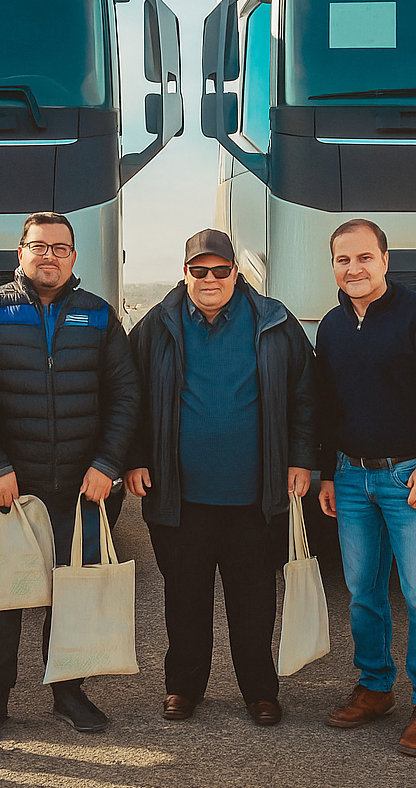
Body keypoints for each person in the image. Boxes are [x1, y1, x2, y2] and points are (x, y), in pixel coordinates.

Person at [0, 211, 138, 740]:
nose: (49, 255)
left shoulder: (97, 314)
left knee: (74, 593)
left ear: (73, 256)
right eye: (39, 246)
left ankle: (69, 692)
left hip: (82, 488)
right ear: (21, 252)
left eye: (60, 247)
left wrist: (107, 465)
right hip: (11, 486)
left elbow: (125, 394)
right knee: (2, 597)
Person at [126, 229, 317, 726]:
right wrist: (134, 457)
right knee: (184, 600)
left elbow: (305, 394)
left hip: (255, 498)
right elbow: (129, 395)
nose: (209, 279)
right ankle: (183, 688)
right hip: (179, 498)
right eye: (199, 270)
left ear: (236, 272)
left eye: (220, 270)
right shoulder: (157, 324)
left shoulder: (274, 321)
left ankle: (260, 692)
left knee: (254, 603)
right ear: (185, 272)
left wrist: (301, 458)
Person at [317, 218, 416, 757]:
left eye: (364, 257)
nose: (353, 268)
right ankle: (375, 687)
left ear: (385, 260)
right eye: (343, 260)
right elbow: (327, 405)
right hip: (350, 476)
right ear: (333, 265)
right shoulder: (332, 326)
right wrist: (329, 472)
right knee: (362, 590)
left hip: (410, 477)